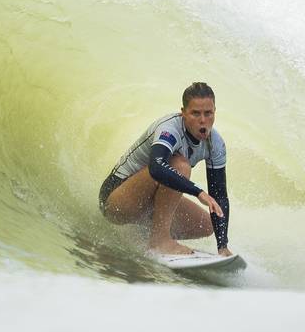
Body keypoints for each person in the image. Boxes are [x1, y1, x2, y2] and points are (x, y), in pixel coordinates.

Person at [99, 82, 232, 257]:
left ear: (215, 112)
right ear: (183, 113)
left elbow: (219, 196)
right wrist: (198, 192)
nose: (202, 120)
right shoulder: (169, 128)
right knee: (180, 166)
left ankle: (148, 234)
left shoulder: (215, 143)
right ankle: (160, 240)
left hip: (146, 205)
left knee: (206, 225)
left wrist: (222, 246)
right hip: (116, 200)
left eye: (208, 113)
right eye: (195, 113)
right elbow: (156, 167)